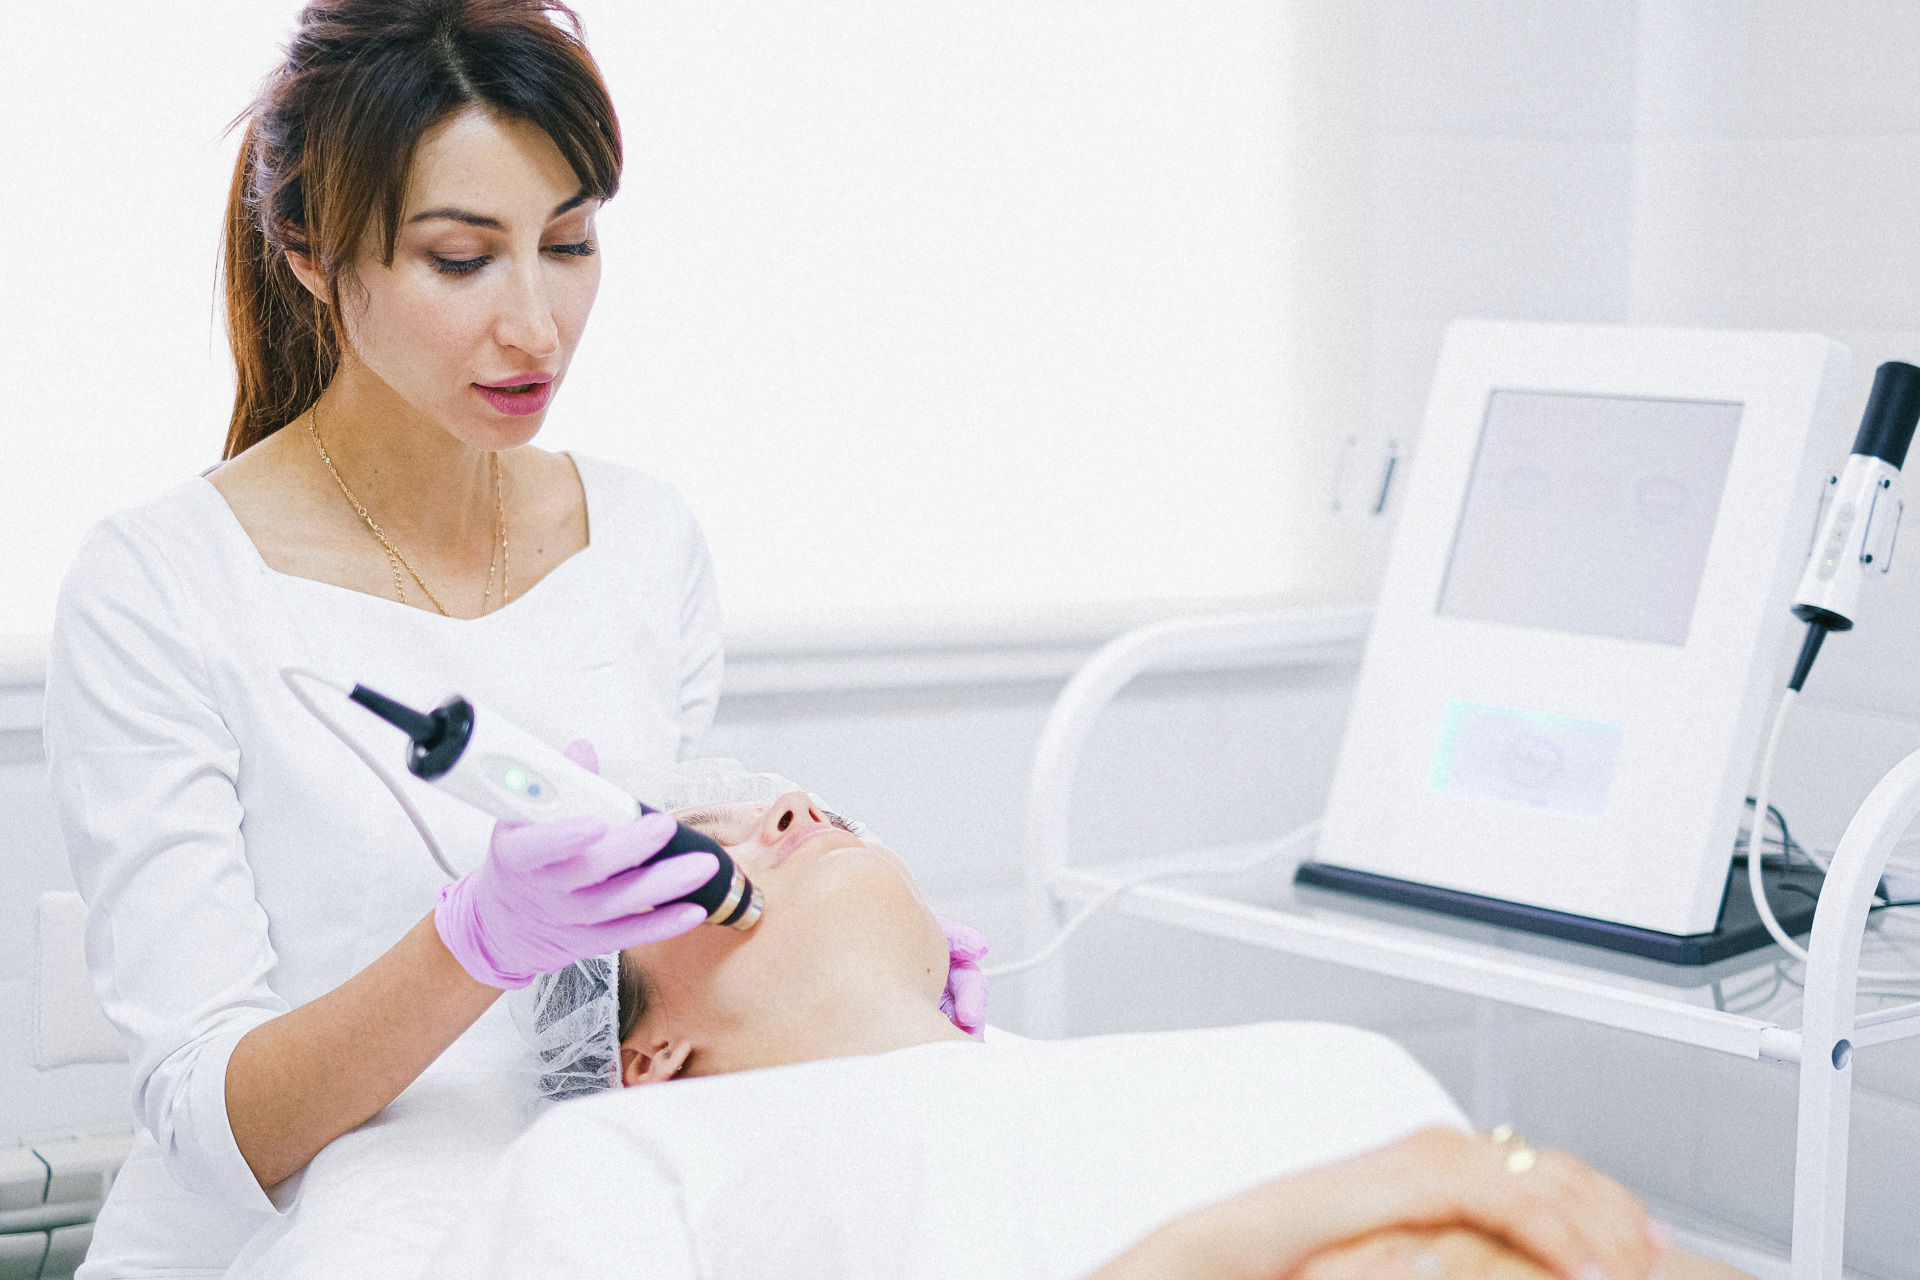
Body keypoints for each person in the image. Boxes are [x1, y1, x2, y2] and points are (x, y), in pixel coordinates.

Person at [42, 6, 977, 1275]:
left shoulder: (644, 540)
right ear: (311, 249)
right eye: (459, 259)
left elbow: (654, 972)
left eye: (571, 241)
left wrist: (860, 980)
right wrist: (468, 944)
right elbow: (215, 1128)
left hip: (569, 1217)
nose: (537, 327)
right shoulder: (161, 586)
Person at [431, 795, 1745, 1280]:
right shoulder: (630, 1150)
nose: (780, 806)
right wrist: (1380, 1195)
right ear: (648, 1051)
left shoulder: (1273, 1057)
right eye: (682, 859)